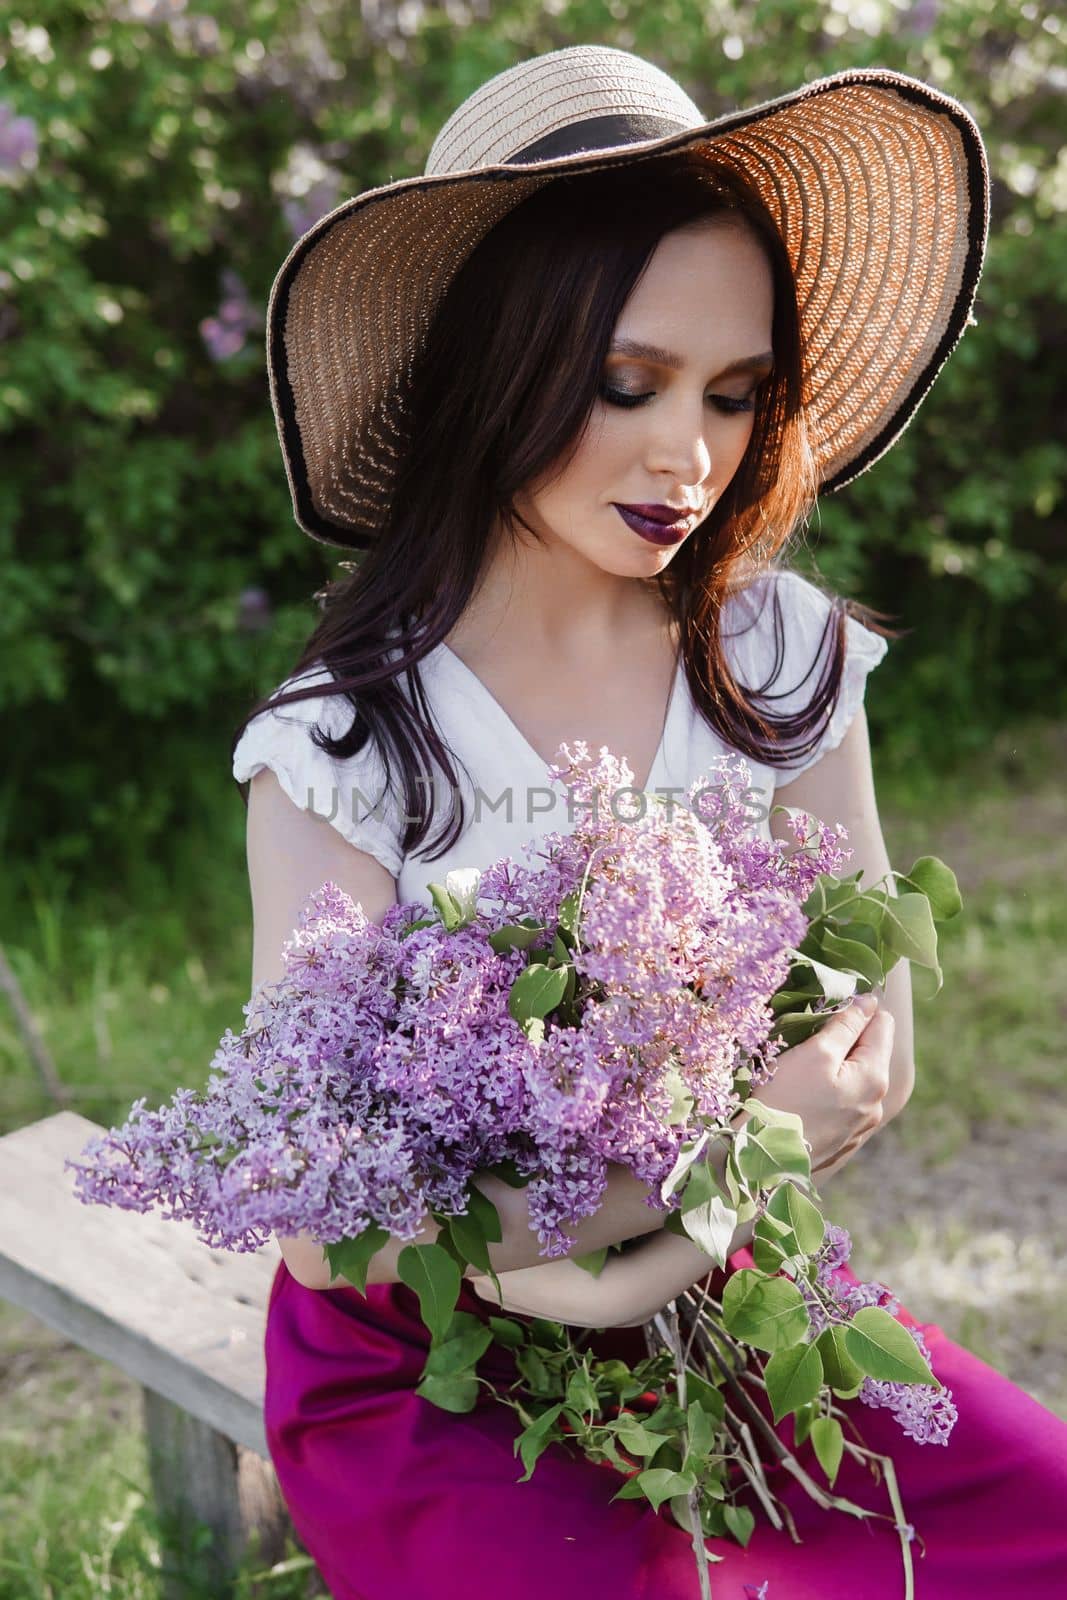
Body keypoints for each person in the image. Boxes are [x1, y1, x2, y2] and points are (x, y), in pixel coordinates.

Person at [231, 45, 1067, 1599]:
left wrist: (664, 1267)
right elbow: (321, 1221)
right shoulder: (345, 741)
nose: (689, 453)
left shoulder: (777, 653)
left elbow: (873, 1047)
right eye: (629, 383)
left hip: (729, 1296)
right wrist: (726, 1162)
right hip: (432, 1373)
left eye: (735, 394)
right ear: (499, 367)